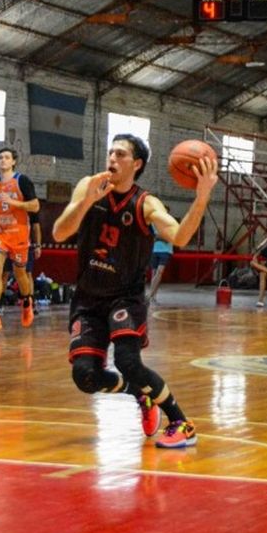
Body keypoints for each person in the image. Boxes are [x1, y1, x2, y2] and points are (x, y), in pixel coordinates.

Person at [52, 133, 217, 449]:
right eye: (110, 152)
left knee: (129, 362)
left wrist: (202, 197)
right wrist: (87, 201)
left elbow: (180, 237)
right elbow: (60, 232)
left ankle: (182, 423)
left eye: (120, 154)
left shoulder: (146, 204)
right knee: (85, 377)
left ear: (136, 164)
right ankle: (140, 392)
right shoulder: (89, 186)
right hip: (87, 298)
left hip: (124, 297)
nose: (112, 158)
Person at [0, 147, 39, 333]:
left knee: (20, 273)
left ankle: (27, 302)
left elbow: (35, 205)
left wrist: (14, 202)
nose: (3, 160)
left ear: (13, 161)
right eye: (0, 157)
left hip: (19, 233)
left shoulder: (22, 180)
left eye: (7, 157)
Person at [147, 235, 173, 305]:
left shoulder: (171, 224)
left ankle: (150, 295)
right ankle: (153, 297)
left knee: (159, 272)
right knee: (154, 273)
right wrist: (160, 238)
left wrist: (158, 237)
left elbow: (170, 238)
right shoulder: (153, 224)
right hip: (154, 250)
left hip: (166, 251)